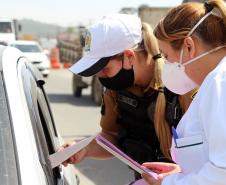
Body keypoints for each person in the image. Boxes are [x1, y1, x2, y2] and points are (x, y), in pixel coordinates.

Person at [60, 14, 195, 180]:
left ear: (129, 57)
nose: (100, 76)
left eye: (104, 69)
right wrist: (84, 149)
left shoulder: (181, 84)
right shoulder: (116, 90)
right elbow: (111, 137)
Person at [142, 0, 226, 185]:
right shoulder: (214, 82)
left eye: (166, 56)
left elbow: (222, 173)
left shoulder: (220, 82)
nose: (166, 64)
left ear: (189, 46)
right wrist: (183, 171)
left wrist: (168, 183)